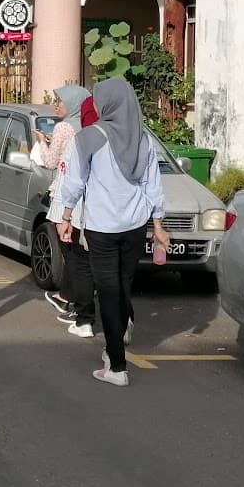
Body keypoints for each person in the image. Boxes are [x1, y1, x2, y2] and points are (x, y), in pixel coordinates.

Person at [59, 78, 171, 387]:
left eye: (97, 98)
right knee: (122, 287)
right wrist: (158, 224)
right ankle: (114, 353)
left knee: (108, 292)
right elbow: (153, 185)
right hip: (134, 226)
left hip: (102, 227)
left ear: (107, 103)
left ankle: (117, 366)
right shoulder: (143, 138)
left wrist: (66, 215)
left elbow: (75, 182)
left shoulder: (89, 137)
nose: (94, 103)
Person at [37, 84, 94, 338]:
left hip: (65, 197)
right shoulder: (89, 127)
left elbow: (51, 162)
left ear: (72, 103)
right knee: (81, 255)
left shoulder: (62, 128)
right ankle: (72, 301)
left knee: (71, 256)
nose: (56, 105)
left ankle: (73, 303)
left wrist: (41, 143)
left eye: (59, 101)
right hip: (88, 199)